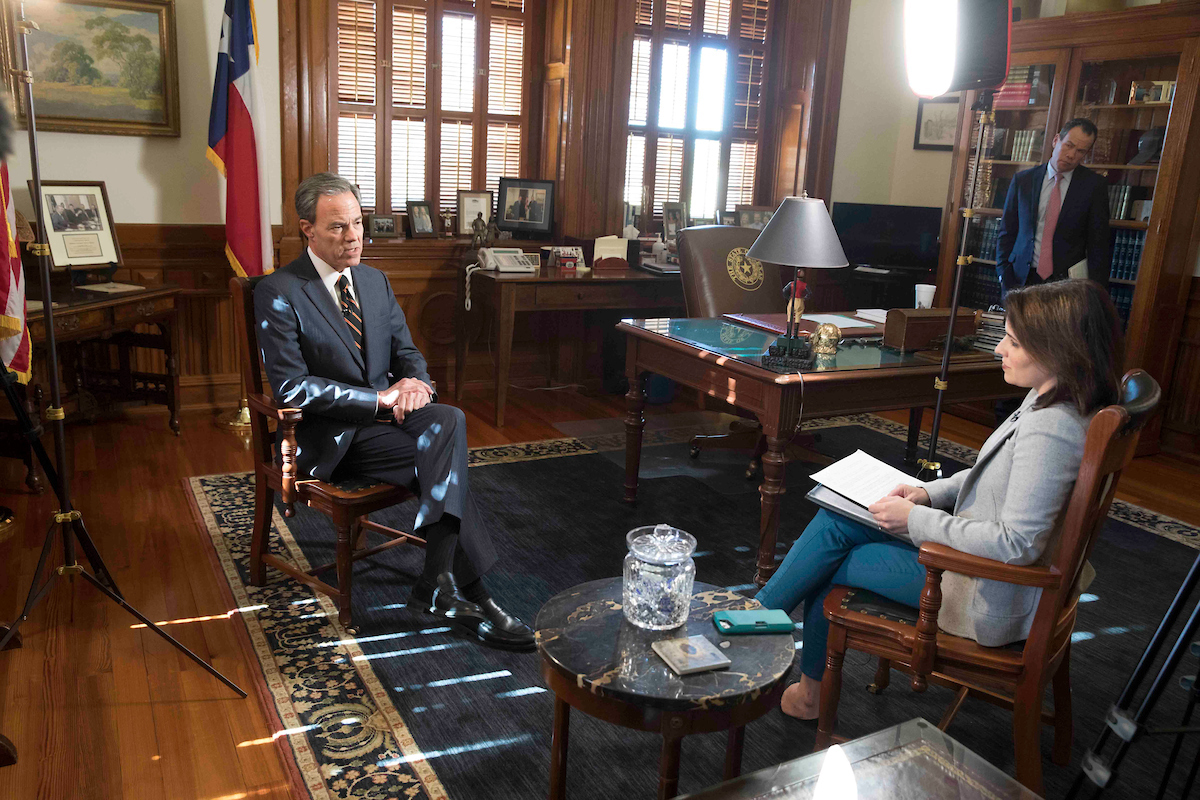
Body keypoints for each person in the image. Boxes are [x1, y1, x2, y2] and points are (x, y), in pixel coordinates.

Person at [756, 279, 1123, 720]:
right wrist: (928, 492)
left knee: (828, 561)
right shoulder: (1053, 397)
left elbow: (1016, 544)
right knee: (839, 519)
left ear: (1058, 349)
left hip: (981, 591)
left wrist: (915, 520)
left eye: (1012, 341)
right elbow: (993, 477)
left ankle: (767, 639)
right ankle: (759, 624)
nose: (998, 350)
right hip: (973, 566)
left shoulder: (1052, 429)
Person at [254, 173, 534, 650]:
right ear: (307, 229)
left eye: (358, 224)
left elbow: (409, 355)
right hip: (334, 436)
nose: (354, 238)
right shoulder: (279, 290)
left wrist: (417, 384)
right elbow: (290, 387)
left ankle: (439, 580)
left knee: (449, 419)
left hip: (390, 420)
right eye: (338, 228)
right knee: (446, 472)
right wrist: (375, 399)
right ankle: (475, 597)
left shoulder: (375, 281)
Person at [996, 118, 1111, 295]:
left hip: (1067, 284)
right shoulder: (1023, 181)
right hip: (1021, 278)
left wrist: (1095, 291)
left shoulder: (1094, 186)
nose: (1072, 155)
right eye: (1068, 145)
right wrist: (1003, 273)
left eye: (1080, 151)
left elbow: (1099, 244)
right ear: (1056, 140)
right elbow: (1007, 231)